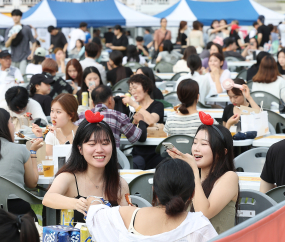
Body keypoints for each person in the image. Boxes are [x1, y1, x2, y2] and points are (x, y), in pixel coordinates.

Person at [86, 158, 218, 241]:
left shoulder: (125, 215)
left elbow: (94, 213)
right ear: (192, 194)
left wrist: (95, 201)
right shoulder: (198, 225)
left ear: (154, 190)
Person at [42, 115, 129, 223]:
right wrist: (77, 203)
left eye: (105, 143)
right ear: (80, 149)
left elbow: (127, 218)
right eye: (92, 144)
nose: (99, 150)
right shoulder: (68, 178)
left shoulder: (120, 183)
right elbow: (48, 198)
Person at [167, 123, 239, 234]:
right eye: (195, 142)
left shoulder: (229, 177)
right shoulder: (194, 178)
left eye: (204, 144)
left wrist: (194, 170)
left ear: (222, 152)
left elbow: (203, 213)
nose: (196, 148)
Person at [0, 108, 43, 220]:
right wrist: (32, 152)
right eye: (11, 121)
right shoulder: (20, 150)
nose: (13, 125)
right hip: (18, 213)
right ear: (5, 125)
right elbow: (32, 183)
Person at [77, 85, 148, 147]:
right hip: (111, 161)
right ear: (110, 100)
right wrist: (140, 120)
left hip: (87, 161)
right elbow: (141, 138)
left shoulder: (81, 116)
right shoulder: (118, 116)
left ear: (92, 103)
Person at [122, 75, 164, 169]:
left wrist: (134, 104)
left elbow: (152, 121)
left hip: (155, 153)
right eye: (131, 89)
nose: (133, 92)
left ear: (147, 88)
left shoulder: (157, 105)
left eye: (135, 88)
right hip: (137, 152)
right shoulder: (131, 110)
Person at [5, 9, 36, 74]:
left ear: (20, 17)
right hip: (13, 58)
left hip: (24, 57)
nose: (15, 17)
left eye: (17, 15)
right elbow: (6, 45)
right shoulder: (9, 30)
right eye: (13, 16)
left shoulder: (26, 29)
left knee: (22, 76)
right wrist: (11, 38)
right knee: (14, 77)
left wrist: (32, 53)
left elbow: (34, 42)